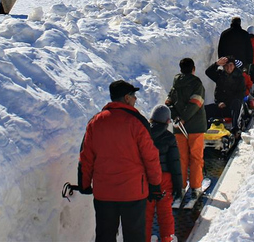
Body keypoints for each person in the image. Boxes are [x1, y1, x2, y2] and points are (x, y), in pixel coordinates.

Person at [78, 80, 162, 242]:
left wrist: (84, 184)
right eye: (133, 96)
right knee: (134, 236)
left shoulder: (95, 122)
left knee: (105, 236)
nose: (135, 99)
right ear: (126, 98)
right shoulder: (136, 121)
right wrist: (155, 185)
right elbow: (150, 157)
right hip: (133, 192)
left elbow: (86, 157)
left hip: (104, 193)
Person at [166, 58, 207, 205]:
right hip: (195, 127)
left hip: (178, 129)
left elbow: (168, 103)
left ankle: (181, 187)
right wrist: (184, 118)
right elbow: (196, 102)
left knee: (181, 158)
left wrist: (176, 117)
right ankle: (196, 187)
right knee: (196, 158)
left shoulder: (175, 85)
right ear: (193, 68)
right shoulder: (196, 84)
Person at [145, 105, 182, 242]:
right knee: (165, 212)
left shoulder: (144, 135)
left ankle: (145, 238)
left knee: (146, 213)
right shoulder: (169, 138)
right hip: (164, 179)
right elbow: (175, 164)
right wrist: (178, 187)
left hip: (147, 179)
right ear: (167, 121)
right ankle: (168, 238)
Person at [204, 57, 246, 131]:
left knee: (236, 103)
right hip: (220, 105)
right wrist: (216, 64)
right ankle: (205, 130)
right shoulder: (220, 75)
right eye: (226, 65)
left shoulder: (240, 77)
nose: (228, 68)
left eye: (230, 65)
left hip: (233, 106)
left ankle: (235, 129)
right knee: (205, 109)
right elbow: (208, 72)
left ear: (234, 66)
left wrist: (226, 103)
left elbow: (240, 94)